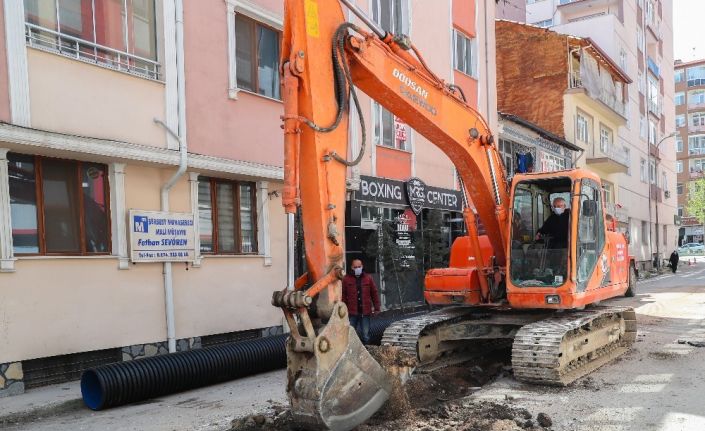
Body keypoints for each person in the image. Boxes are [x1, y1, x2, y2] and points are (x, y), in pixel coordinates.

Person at [342, 259, 381, 345]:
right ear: (352, 267)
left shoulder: (368, 278)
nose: (357, 269)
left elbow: (374, 293)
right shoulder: (346, 279)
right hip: (352, 313)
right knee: (350, 334)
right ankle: (351, 351)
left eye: (359, 267)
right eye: (355, 267)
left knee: (366, 335)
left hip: (365, 312)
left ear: (362, 266)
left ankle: (367, 352)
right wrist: (344, 311)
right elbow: (343, 296)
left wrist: (377, 308)